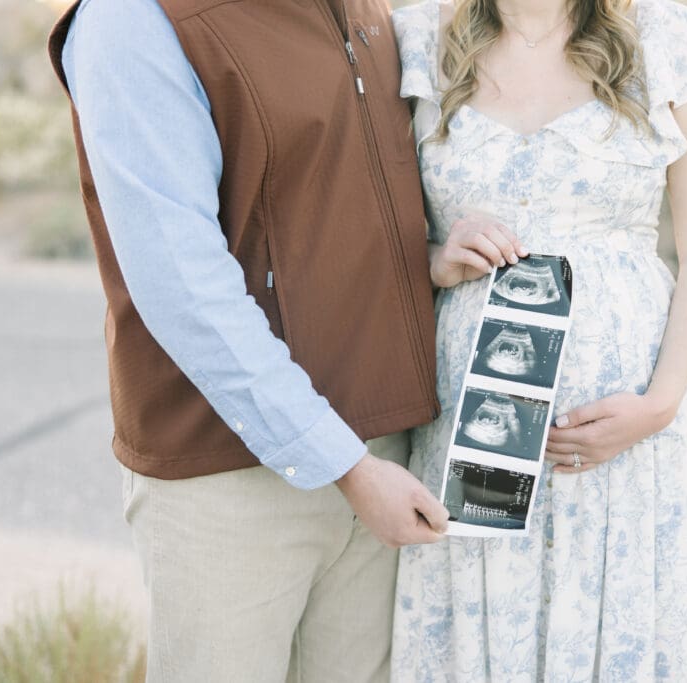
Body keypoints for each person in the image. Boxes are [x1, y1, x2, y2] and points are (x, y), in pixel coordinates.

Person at [46, 0, 450, 680]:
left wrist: (430, 252)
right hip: (227, 479)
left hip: (386, 446)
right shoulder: (131, 18)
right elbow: (184, 287)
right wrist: (346, 465)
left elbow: (331, 199)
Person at [390, 0, 687, 679]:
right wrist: (436, 258)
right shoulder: (416, 39)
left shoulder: (668, 41)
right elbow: (370, 231)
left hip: (643, 436)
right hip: (477, 434)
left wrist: (661, 401)